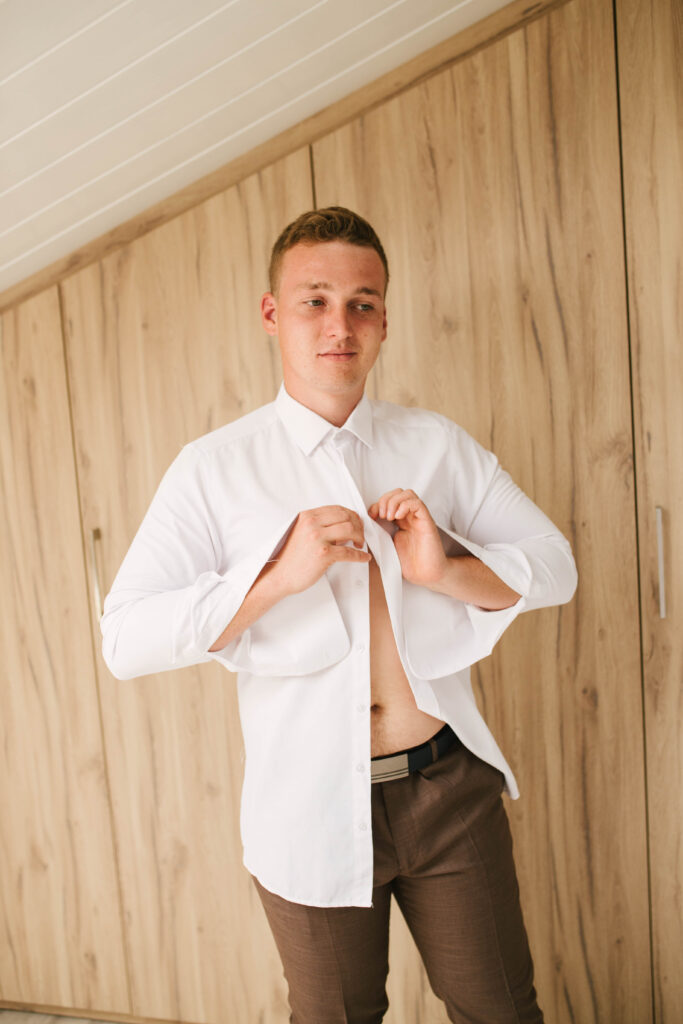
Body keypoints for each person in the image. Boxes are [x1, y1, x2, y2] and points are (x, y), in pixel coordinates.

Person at [102, 207, 577, 1023]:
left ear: (383, 319)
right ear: (271, 313)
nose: (339, 326)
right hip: (305, 801)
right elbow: (124, 639)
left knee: (502, 1011)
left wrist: (442, 568)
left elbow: (555, 567)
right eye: (314, 301)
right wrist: (273, 578)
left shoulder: (435, 445)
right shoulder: (211, 470)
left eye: (362, 304)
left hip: (447, 787)